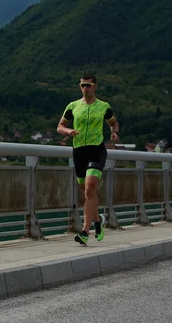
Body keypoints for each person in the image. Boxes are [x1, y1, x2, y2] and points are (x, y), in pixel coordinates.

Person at [57, 74, 120, 245]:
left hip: (96, 150)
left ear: (95, 86)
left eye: (89, 85)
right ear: (80, 86)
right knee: (87, 192)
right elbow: (60, 126)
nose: (86, 88)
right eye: (83, 85)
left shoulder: (103, 106)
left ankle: (85, 231)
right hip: (79, 152)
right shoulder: (73, 106)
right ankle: (98, 221)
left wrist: (114, 132)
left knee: (89, 189)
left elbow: (113, 123)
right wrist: (68, 131)